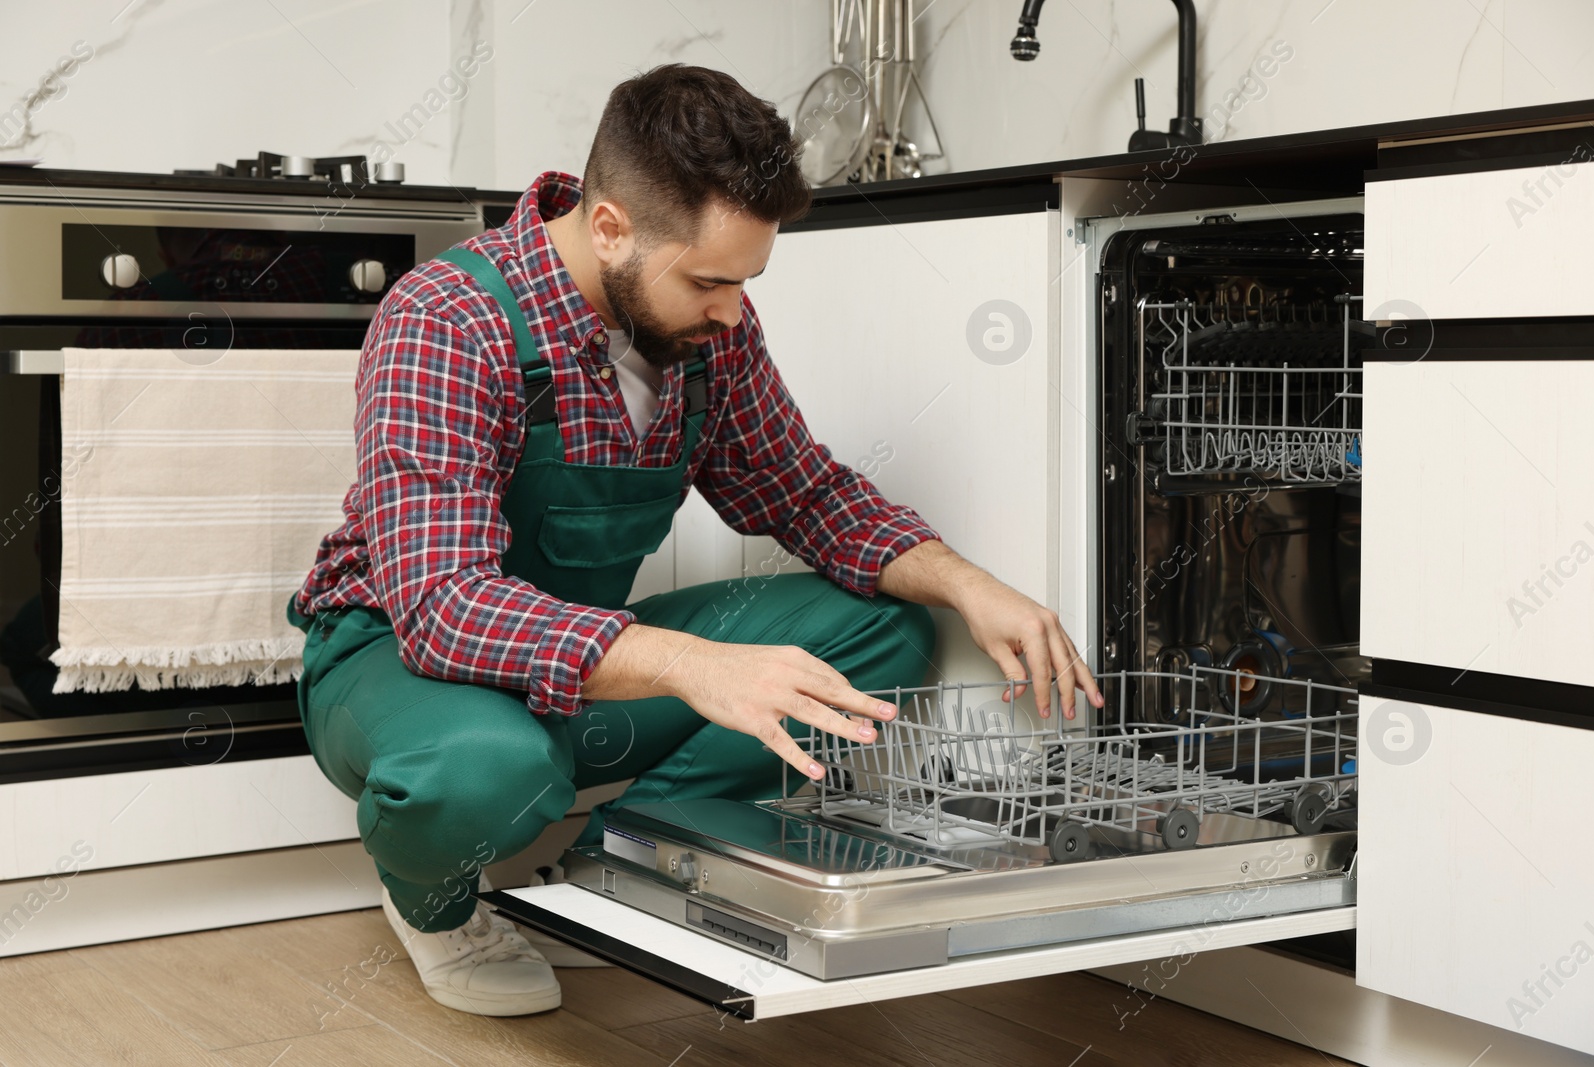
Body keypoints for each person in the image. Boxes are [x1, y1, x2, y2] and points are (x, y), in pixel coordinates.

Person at [286, 62, 1102, 1018]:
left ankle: (617, 867)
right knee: (490, 768)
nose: (731, 309)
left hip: (571, 669)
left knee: (878, 633)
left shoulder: (710, 333)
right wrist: (694, 667)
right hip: (396, 663)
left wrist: (967, 583)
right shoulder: (448, 320)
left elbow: (807, 494)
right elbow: (444, 611)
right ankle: (434, 903)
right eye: (711, 280)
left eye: (744, 281)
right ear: (610, 229)